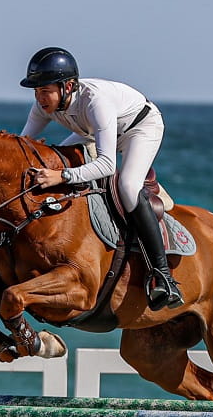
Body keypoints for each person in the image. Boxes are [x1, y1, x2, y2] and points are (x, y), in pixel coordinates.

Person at [16, 47, 183, 310]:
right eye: (36, 91)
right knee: (57, 156)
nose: (40, 98)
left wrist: (62, 176)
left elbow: (106, 165)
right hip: (98, 130)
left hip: (140, 127)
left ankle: (162, 275)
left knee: (128, 186)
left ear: (68, 86)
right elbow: (25, 146)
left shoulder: (95, 101)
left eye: (45, 91)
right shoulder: (44, 106)